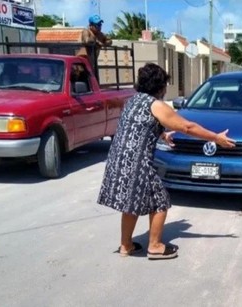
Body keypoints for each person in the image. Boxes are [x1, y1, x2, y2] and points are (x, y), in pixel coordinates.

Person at [97, 63, 235, 260]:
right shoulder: (156, 105)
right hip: (137, 163)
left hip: (117, 161)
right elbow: (187, 127)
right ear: (160, 86)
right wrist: (216, 138)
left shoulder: (133, 101)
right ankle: (155, 246)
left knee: (130, 204)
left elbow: (141, 124)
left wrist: (162, 135)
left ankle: (126, 246)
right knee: (160, 202)